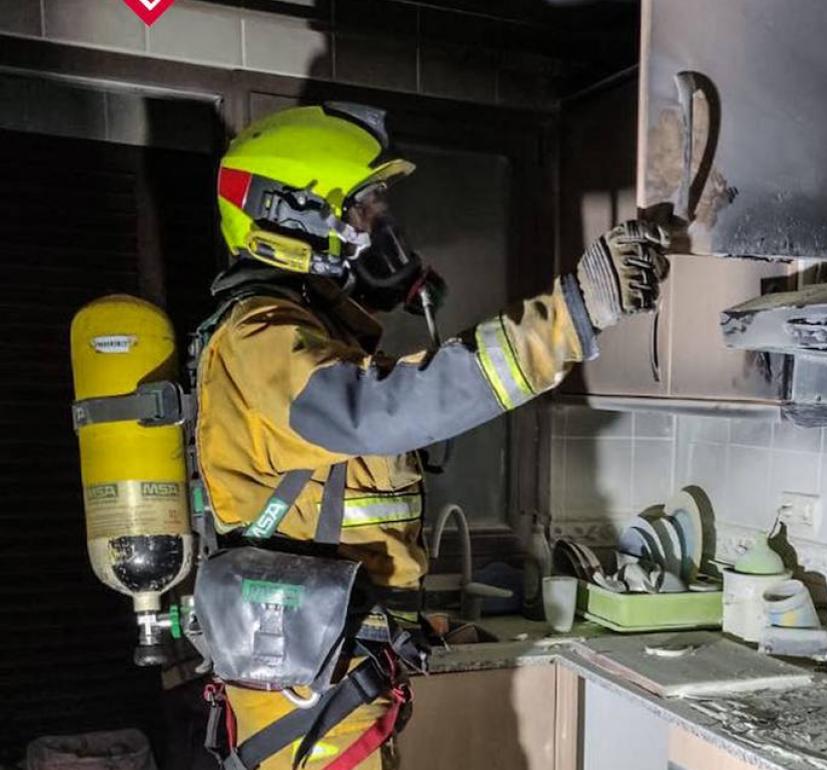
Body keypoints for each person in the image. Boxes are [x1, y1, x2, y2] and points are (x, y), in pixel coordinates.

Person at [195, 102, 666, 769]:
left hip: (332, 681)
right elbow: (386, 410)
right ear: (290, 215)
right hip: (310, 701)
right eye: (360, 210)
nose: (379, 231)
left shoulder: (307, 337)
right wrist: (573, 314)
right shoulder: (260, 339)